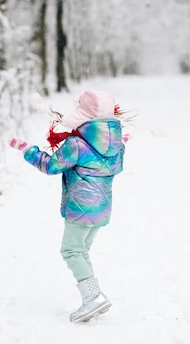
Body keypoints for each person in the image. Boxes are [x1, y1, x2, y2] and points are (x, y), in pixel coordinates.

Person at [9, 89, 126, 323]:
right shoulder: (118, 144)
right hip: (102, 207)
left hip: (81, 207)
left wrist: (28, 150)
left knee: (71, 251)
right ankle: (94, 296)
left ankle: (93, 298)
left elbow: (51, 166)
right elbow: (116, 168)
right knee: (81, 251)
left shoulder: (77, 144)